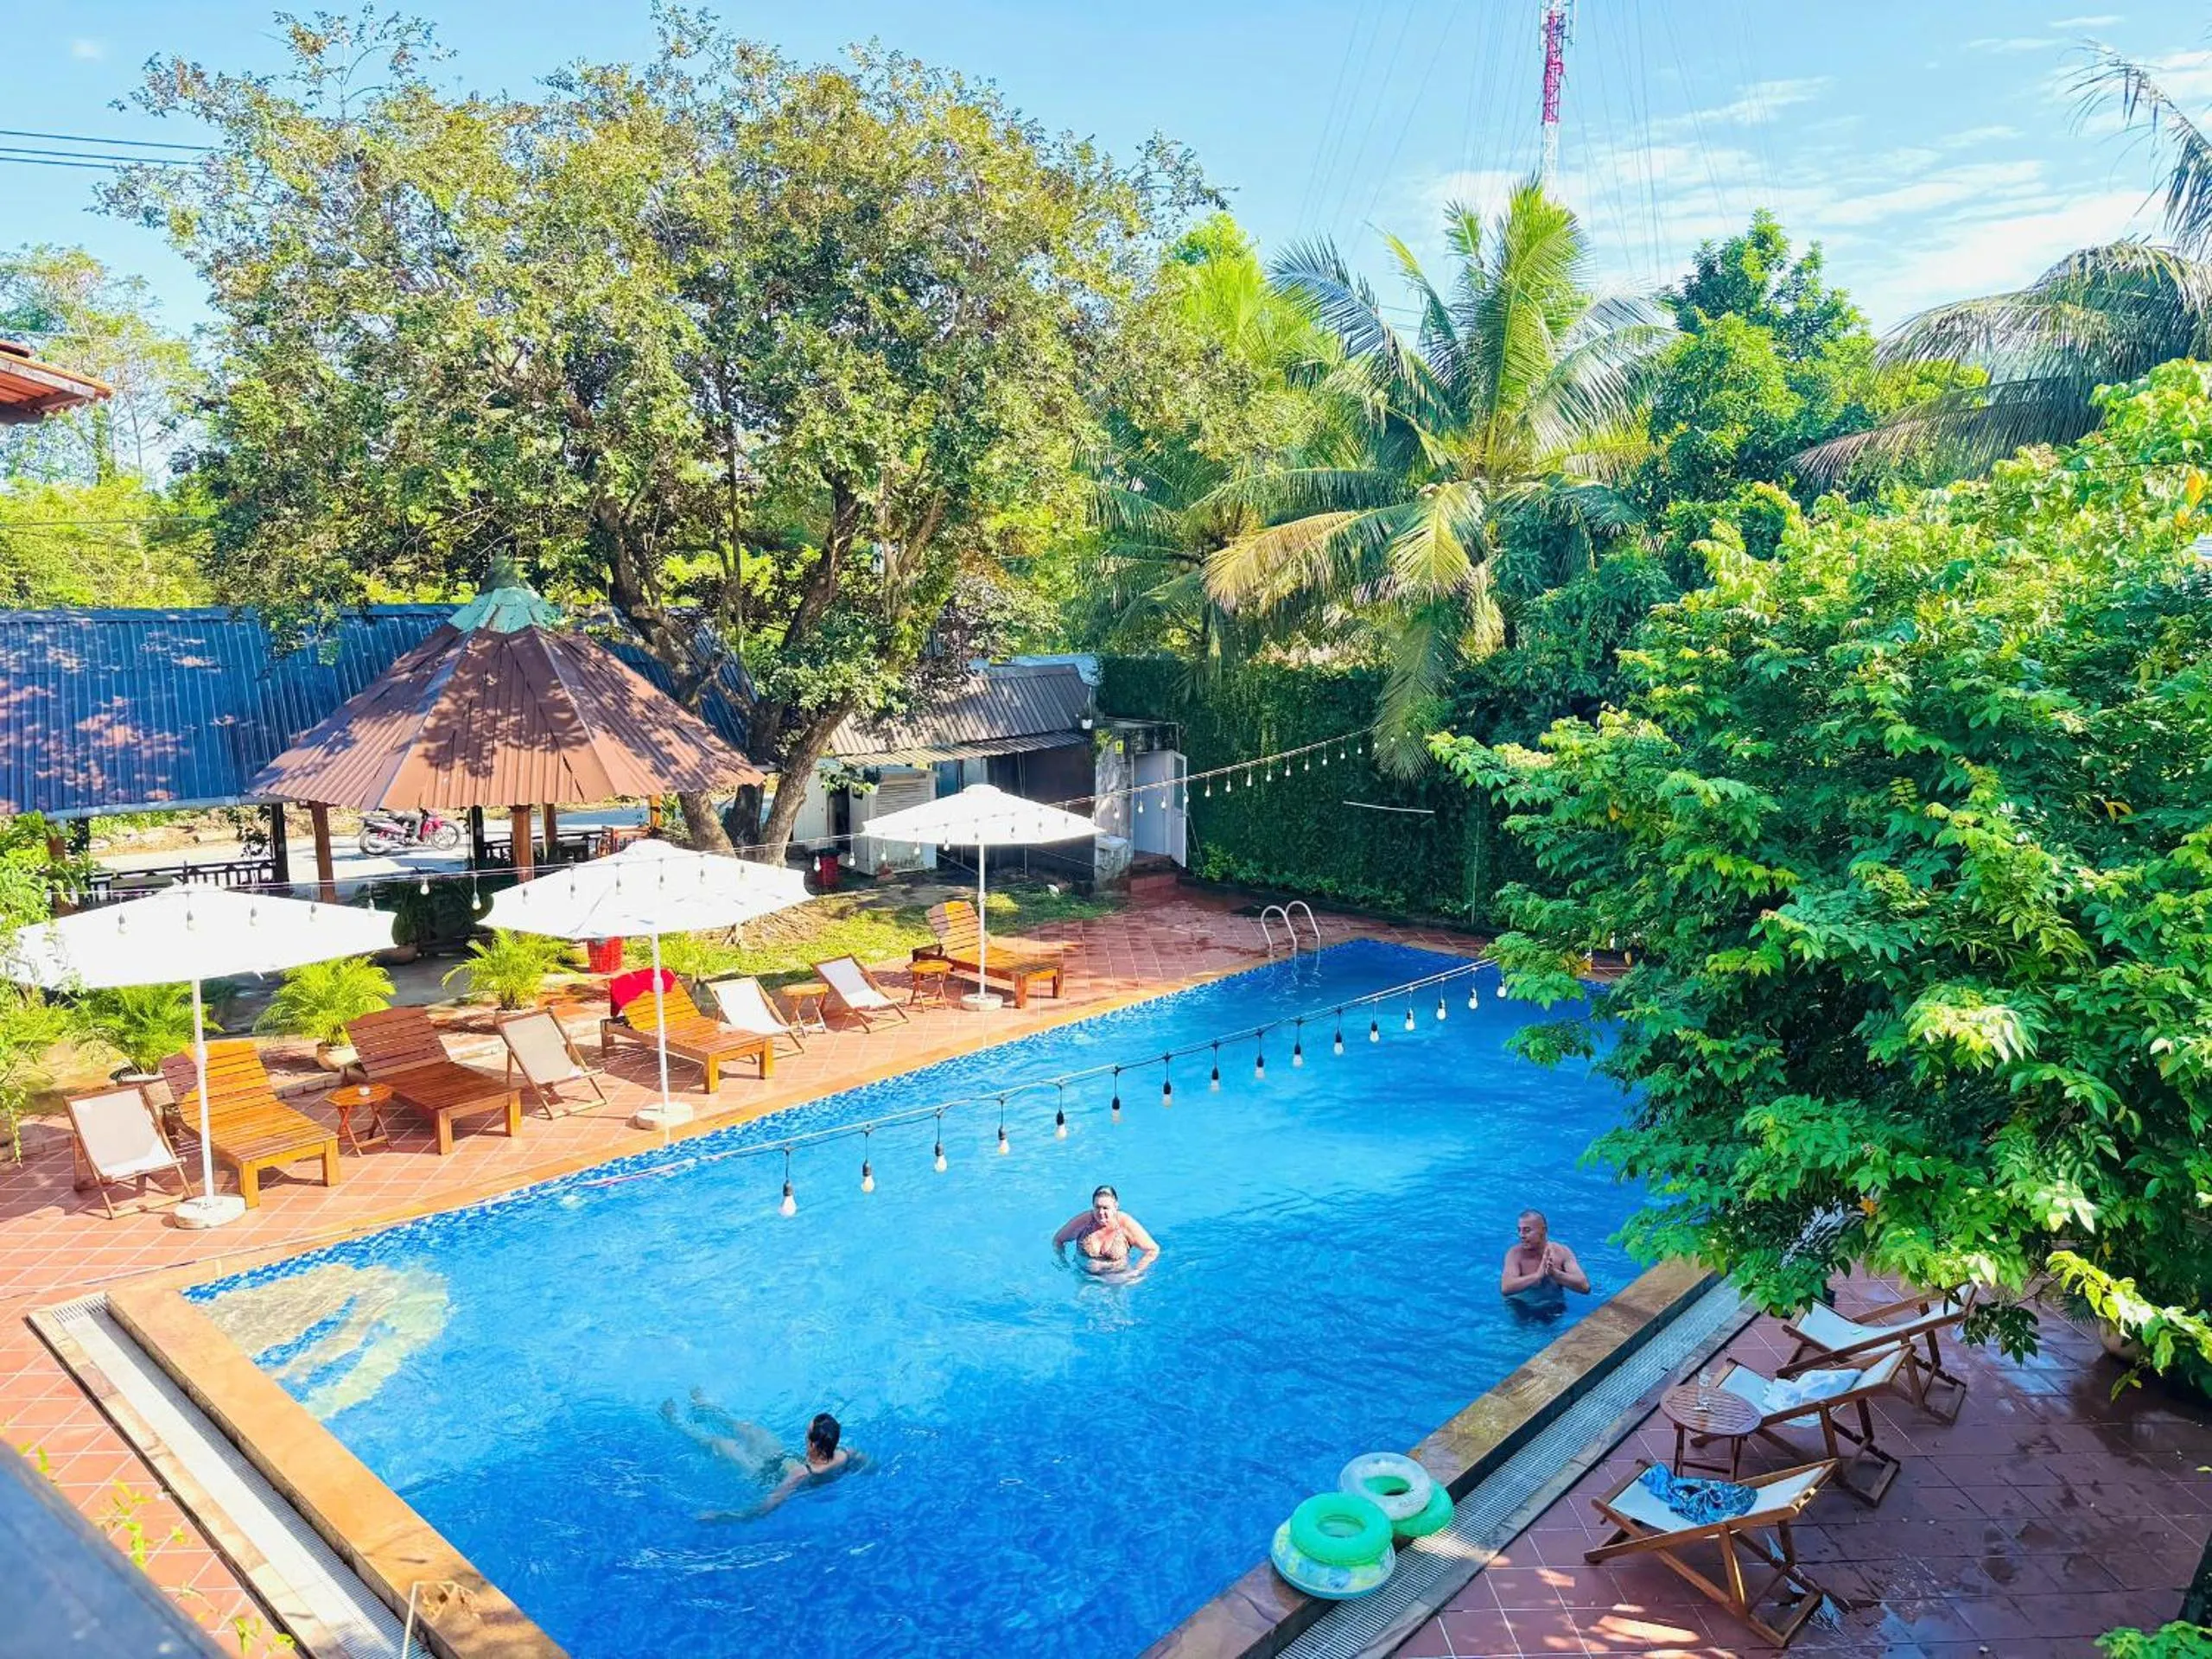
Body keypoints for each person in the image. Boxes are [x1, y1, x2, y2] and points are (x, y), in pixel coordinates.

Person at [661, 1389, 861, 1520]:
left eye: (807, 1432)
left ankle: (676, 1422)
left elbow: (763, 1510)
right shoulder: (846, 1454)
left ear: (812, 1443)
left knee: (719, 1444)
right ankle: (705, 1408)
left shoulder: (800, 1474)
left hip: (763, 1474)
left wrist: (723, 1516)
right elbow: (869, 1465)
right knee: (749, 1429)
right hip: (785, 1459)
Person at [1052, 1184, 1161, 1278]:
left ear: (1115, 1207)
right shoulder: (1084, 1222)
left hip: (1117, 1279)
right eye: (1097, 1207)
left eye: (1105, 1208)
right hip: (1085, 1277)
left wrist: (1135, 1272)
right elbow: (1058, 1240)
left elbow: (1153, 1250)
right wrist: (1063, 1263)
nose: (1101, 1212)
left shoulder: (1125, 1224)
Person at [1499, 1209, 1589, 1316]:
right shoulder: (1515, 1254)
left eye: (1527, 1230)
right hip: (1522, 1307)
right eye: (1519, 1230)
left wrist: (1555, 1274)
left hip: (1554, 1307)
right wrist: (1537, 1276)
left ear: (1543, 1230)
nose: (1521, 1235)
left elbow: (1585, 1287)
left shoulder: (1562, 1252)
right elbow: (1506, 1288)